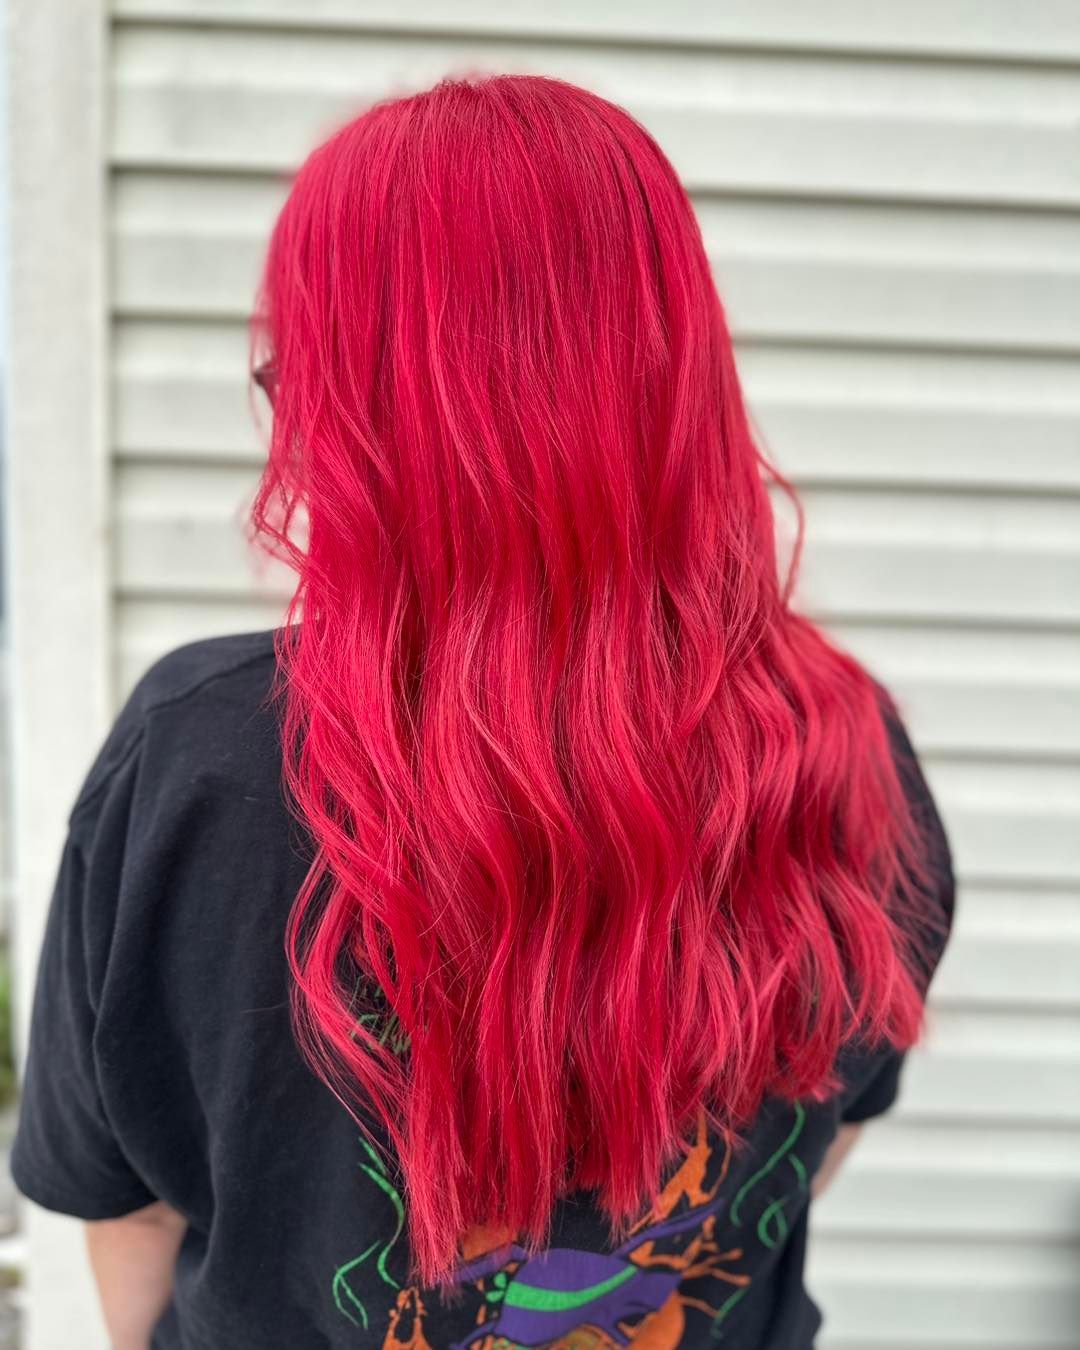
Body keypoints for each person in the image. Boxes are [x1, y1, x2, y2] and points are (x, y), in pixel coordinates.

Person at [12, 75, 954, 1350]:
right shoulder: (847, 753)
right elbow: (808, 1151)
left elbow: (124, 1218)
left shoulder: (198, 758)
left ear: (348, 402)